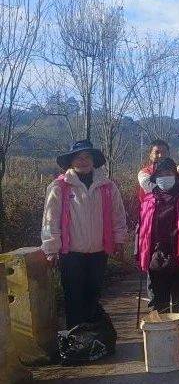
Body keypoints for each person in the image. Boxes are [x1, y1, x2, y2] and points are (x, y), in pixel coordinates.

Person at [41, 140, 127, 332]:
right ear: (71, 162)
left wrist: (119, 240)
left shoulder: (107, 187)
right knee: (73, 297)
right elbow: (50, 221)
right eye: (78, 157)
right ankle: (76, 339)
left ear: (94, 160)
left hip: (98, 252)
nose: (83, 161)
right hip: (71, 254)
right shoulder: (59, 187)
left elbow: (118, 216)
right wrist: (51, 249)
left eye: (87, 157)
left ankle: (93, 337)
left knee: (93, 295)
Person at [137, 157, 179, 319]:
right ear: (155, 177)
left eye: (169, 172)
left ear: (175, 175)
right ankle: (162, 340)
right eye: (161, 173)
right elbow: (141, 228)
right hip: (156, 256)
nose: (165, 176)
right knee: (159, 301)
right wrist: (139, 253)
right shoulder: (148, 199)